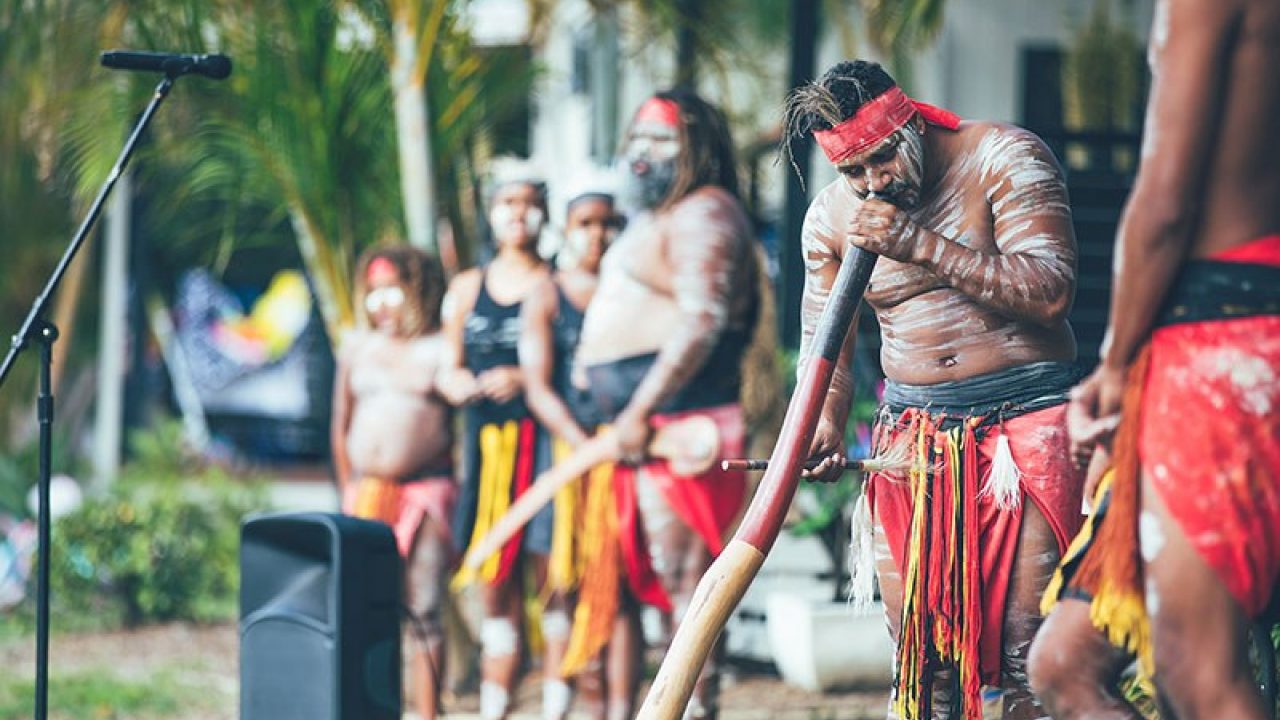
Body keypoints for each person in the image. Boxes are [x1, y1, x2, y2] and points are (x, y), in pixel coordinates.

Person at [789, 60, 1084, 720]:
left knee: (1027, 657)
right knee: (923, 660)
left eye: (883, 158)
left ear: (911, 120)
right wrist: (825, 423)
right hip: (913, 442)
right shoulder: (830, 219)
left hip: (1028, 421)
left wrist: (919, 244)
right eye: (852, 172)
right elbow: (823, 349)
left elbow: (1052, 290)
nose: (873, 183)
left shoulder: (1004, 156)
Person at [1029, 1, 1280, 718]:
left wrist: (1114, 363)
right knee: (1064, 663)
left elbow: (1164, 203)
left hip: (1223, 337)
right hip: (1229, 330)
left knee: (1196, 670)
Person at [574, 89, 760, 720]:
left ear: (697, 148)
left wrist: (637, 409)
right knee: (665, 591)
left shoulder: (705, 212)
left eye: (661, 141)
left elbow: (699, 323)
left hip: (680, 426)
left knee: (690, 590)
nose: (641, 155)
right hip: (645, 430)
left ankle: (692, 708)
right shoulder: (665, 216)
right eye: (638, 140)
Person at [440, 162, 571, 720]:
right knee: (494, 579)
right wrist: (463, 384)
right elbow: (447, 369)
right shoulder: (468, 287)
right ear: (491, 215)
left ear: (543, 212)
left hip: (547, 449)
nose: (517, 213)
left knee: (553, 575)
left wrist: (526, 380)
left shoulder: (560, 282)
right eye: (507, 204)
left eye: (528, 203)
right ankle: (494, 706)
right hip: (486, 450)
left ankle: (556, 705)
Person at [517, 174, 644, 720]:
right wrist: (579, 443)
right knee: (567, 584)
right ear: (566, 230)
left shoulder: (637, 288)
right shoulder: (546, 292)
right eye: (585, 224)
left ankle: (622, 709)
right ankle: (584, 705)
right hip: (569, 459)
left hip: (628, 452)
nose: (598, 234)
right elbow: (537, 386)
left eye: (609, 223)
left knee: (622, 591)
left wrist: (626, 435)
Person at [331, 245, 455, 720]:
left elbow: (458, 431)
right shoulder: (357, 348)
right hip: (366, 493)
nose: (381, 303)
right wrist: (349, 487)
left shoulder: (441, 349)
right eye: (374, 292)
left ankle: (428, 714)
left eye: (394, 291)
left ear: (418, 292)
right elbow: (341, 424)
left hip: (425, 493)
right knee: (366, 609)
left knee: (422, 609)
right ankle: (370, 710)